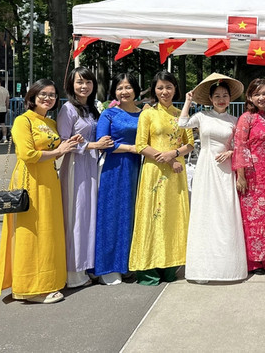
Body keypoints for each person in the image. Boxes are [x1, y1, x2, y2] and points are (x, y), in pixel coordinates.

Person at [0, 79, 82, 304]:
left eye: (52, 95)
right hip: (29, 180)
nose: (48, 98)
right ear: (32, 97)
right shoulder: (22, 121)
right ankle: (30, 289)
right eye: (43, 94)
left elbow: (56, 150)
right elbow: (27, 155)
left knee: (48, 231)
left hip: (49, 181)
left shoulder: (51, 123)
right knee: (31, 232)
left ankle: (48, 280)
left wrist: (68, 144)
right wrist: (59, 151)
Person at [179, 73, 248, 282]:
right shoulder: (202, 116)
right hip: (206, 167)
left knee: (226, 212)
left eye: (225, 95)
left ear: (230, 98)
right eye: (217, 95)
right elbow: (182, 124)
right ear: (210, 99)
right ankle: (203, 269)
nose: (221, 99)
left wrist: (231, 152)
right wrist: (188, 101)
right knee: (205, 213)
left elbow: (241, 146)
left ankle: (229, 266)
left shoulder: (235, 120)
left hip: (226, 169)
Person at [130, 71, 193, 285]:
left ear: (175, 89)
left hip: (176, 173)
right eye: (160, 88)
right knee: (153, 216)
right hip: (154, 172)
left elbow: (190, 143)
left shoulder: (181, 114)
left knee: (173, 218)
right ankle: (149, 269)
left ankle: (171, 266)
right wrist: (166, 159)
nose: (164, 91)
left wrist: (174, 154)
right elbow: (140, 145)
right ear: (154, 90)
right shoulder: (148, 114)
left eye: (168, 87)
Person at [58, 67, 114, 288]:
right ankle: (72, 272)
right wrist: (93, 145)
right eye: (80, 82)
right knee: (76, 215)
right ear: (71, 84)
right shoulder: (68, 109)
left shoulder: (91, 109)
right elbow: (64, 141)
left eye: (88, 82)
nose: (84, 86)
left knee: (88, 216)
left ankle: (86, 265)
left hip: (91, 165)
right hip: (75, 166)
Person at [94, 72, 142, 285]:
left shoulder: (144, 114)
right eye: (120, 88)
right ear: (114, 92)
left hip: (139, 168)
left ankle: (128, 264)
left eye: (128, 87)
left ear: (135, 90)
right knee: (113, 213)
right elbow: (103, 143)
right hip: (115, 168)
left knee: (133, 215)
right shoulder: (109, 114)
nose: (124, 91)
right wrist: (132, 148)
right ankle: (108, 266)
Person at [232, 79, 265, 275]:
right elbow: (240, 146)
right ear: (250, 97)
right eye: (257, 94)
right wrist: (241, 175)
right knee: (254, 220)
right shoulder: (246, 118)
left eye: (264, 93)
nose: (261, 98)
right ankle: (254, 261)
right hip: (253, 176)